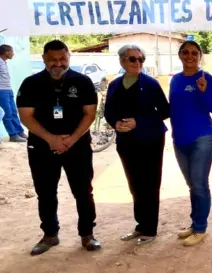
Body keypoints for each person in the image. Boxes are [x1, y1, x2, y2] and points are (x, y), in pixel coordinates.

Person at [16, 40, 101, 255]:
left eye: (62, 59)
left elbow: (89, 113)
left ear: (68, 57)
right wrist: (50, 139)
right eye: (53, 59)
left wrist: (71, 139)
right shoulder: (30, 84)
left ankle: (87, 234)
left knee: (83, 191)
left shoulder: (82, 82)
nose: (58, 64)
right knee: (45, 193)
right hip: (41, 146)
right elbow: (26, 117)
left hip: (78, 145)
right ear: (44, 58)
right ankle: (50, 235)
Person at [105, 45, 169, 246]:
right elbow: (109, 111)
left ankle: (150, 229)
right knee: (135, 184)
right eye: (133, 59)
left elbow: (165, 111)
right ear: (122, 61)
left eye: (141, 59)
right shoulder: (114, 85)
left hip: (150, 139)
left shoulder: (150, 84)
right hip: (126, 141)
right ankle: (140, 225)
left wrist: (138, 122)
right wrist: (115, 123)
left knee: (150, 183)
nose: (138, 63)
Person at [169, 41, 212, 246]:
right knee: (192, 185)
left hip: (202, 139)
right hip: (180, 141)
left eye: (194, 53)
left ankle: (200, 228)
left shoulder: (205, 78)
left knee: (200, 185)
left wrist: (204, 91)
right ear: (180, 55)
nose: (189, 56)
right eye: (185, 52)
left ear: (200, 56)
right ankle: (194, 223)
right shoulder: (175, 80)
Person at [0, 44, 26, 142]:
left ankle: (19, 132)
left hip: (8, 90)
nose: (13, 54)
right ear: (6, 52)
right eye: (11, 51)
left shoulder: (3, 62)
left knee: (14, 112)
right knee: (7, 114)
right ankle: (13, 135)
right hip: (1, 91)